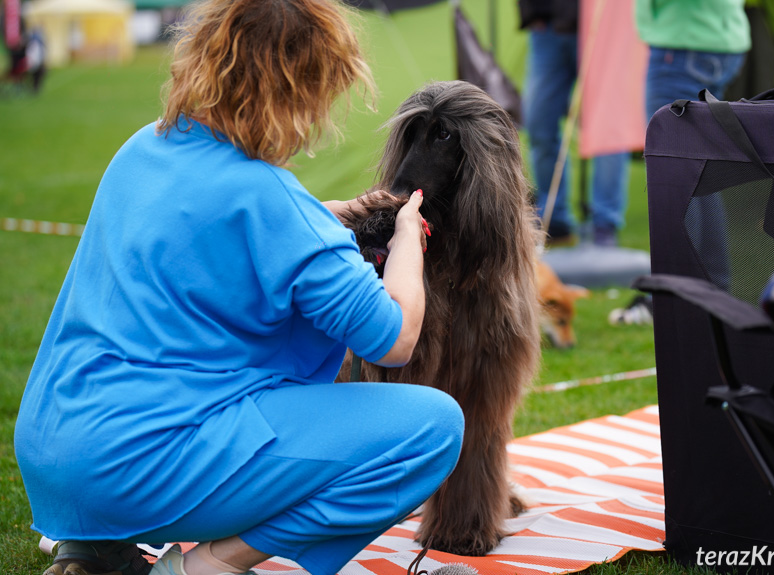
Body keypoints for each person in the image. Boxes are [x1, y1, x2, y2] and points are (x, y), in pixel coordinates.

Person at [14, 1, 465, 575]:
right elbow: (395, 336)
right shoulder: (272, 202)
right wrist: (408, 241)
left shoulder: (144, 148)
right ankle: (208, 566)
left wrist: (327, 217)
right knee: (432, 428)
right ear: (301, 89)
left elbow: (219, 230)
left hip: (55, 453)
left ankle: (95, 550)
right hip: (145, 467)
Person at [608, 0, 750, 325]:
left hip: (685, 43)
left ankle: (675, 295)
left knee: (673, 173)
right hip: (717, 37)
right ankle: (711, 288)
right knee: (699, 170)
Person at [518, 0, 631, 247]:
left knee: (608, 127)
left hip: (602, 26)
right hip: (546, 28)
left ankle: (605, 224)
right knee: (539, 123)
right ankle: (554, 221)